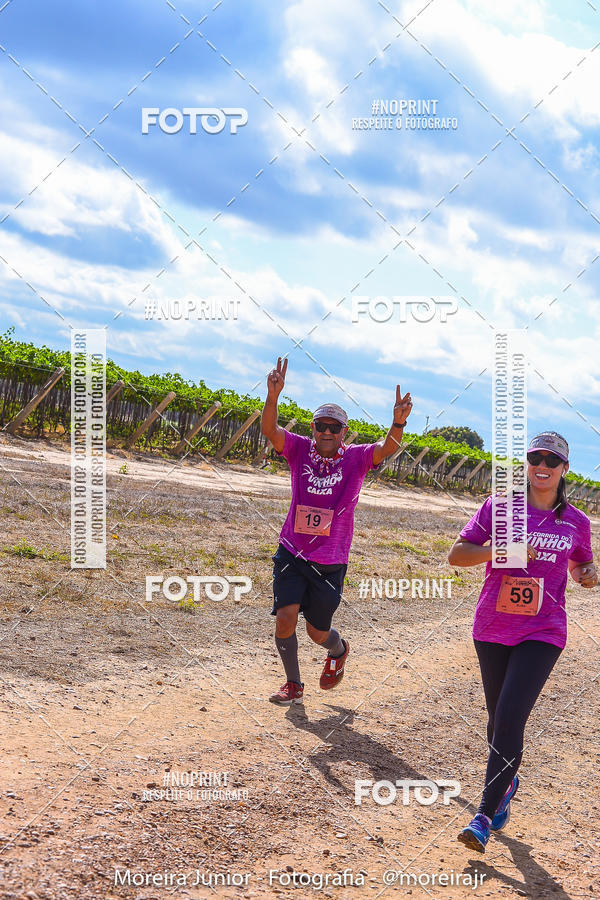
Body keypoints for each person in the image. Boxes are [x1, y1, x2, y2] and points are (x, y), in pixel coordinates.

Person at [448, 431, 597, 852]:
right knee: (497, 723)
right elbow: (457, 555)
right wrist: (506, 551)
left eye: (553, 458)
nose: (543, 464)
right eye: (535, 457)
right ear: (527, 464)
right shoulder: (500, 507)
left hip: (544, 631)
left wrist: (588, 574)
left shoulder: (577, 522)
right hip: (493, 627)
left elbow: (583, 563)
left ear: (565, 469)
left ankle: (481, 817)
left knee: (512, 717)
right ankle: (507, 781)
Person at [261, 356, 412, 706]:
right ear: (313, 428)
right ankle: (294, 684)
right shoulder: (299, 450)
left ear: (344, 432)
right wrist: (273, 397)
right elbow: (270, 431)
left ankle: (339, 649)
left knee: (317, 632)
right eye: (321, 426)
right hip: (292, 551)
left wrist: (397, 422)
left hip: (329, 561)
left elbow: (386, 448)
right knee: (285, 619)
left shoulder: (356, 458)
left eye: (334, 427)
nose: (326, 432)